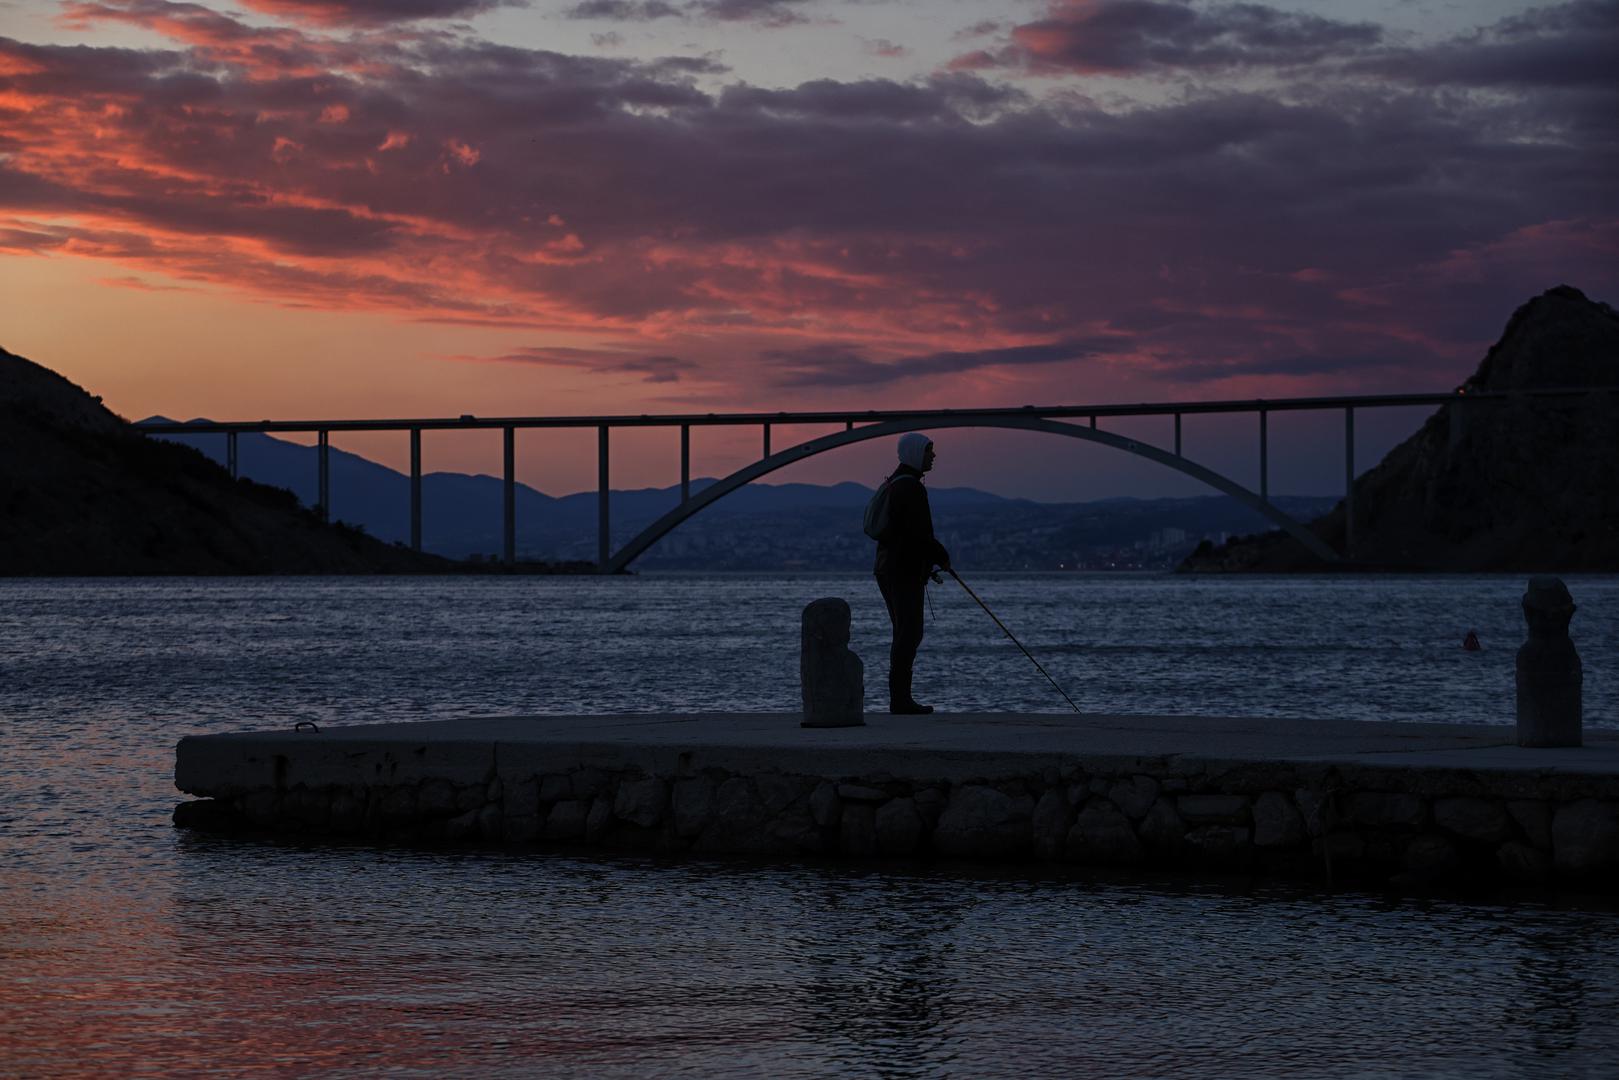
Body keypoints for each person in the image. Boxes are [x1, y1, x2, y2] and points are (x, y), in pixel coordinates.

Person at [873, 433, 950, 714]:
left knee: (903, 632)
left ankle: (900, 698)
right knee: (909, 633)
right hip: (902, 571)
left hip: (888, 568)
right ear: (915, 453)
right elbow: (919, 535)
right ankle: (900, 700)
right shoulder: (912, 489)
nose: (933, 456)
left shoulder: (896, 483)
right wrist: (941, 556)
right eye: (929, 451)